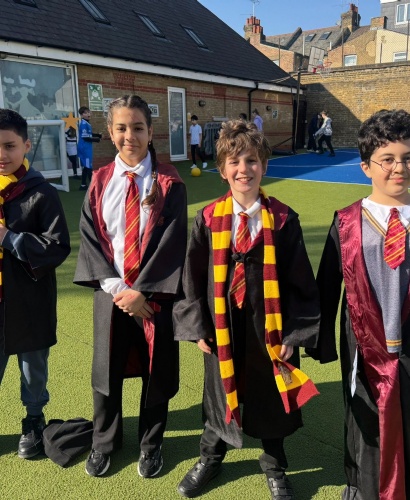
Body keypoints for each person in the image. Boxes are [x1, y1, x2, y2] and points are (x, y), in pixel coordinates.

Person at [173, 120, 320, 499]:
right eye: (234, 161)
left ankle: (274, 465)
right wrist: (197, 326)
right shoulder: (208, 219)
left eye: (252, 160)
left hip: (270, 327)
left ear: (264, 165)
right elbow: (192, 277)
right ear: (222, 170)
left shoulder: (283, 220)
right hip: (222, 327)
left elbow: (301, 282)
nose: (244, 169)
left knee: (271, 396)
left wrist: (294, 335)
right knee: (219, 393)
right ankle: (210, 457)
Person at [74, 95, 187, 478]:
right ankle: (104, 442)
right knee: (106, 370)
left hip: (154, 298)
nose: (130, 136)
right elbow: (91, 238)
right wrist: (117, 288)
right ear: (110, 132)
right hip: (111, 295)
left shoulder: (169, 182)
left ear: (150, 131)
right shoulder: (99, 182)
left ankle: (151, 445)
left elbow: (174, 241)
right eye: (121, 128)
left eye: (138, 128)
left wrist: (143, 292)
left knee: (157, 371)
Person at [307, 109, 410, 499]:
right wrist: (317, 341)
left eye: (407, 158)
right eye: (387, 159)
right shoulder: (348, 221)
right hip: (364, 344)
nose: (399, 167)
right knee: (364, 420)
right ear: (366, 166)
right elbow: (326, 285)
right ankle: (359, 485)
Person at [0, 108, 70, 459]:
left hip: (29, 298)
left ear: (26, 145)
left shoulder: (41, 193)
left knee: (32, 366)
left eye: (9, 146)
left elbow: (58, 246)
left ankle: (33, 418)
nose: (2, 155)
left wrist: (8, 238)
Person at [77, 106, 102, 190]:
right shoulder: (84, 124)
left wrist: (97, 135)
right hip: (85, 148)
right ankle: (93, 187)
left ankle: (83, 185)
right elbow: (85, 137)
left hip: (86, 148)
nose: (88, 114)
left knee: (86, 166)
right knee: (88, 167)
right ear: (81, 115)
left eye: (88, 112)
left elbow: (89, 134)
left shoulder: (86, 123)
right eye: (85, 113)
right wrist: (96, 139)